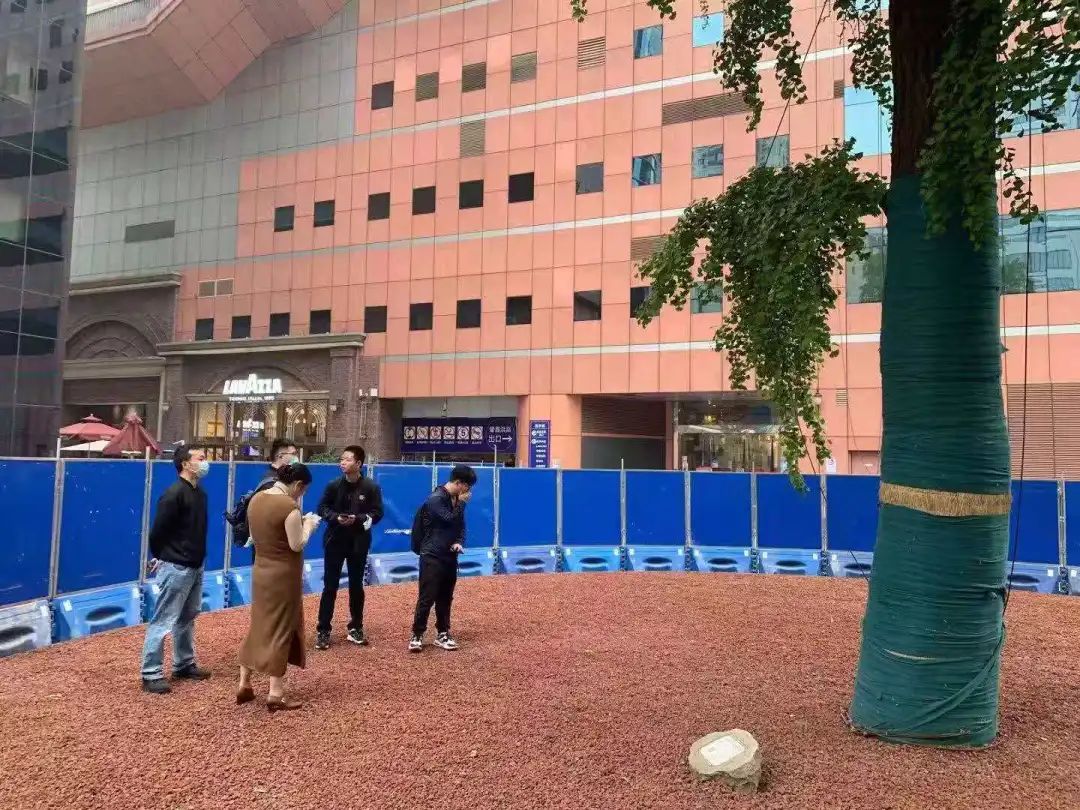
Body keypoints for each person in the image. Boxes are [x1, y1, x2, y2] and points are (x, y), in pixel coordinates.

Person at [237, 463, 322, 711]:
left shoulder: (256, 500)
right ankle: (276, 692)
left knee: (259, 625)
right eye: (303, 490)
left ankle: (244, 682)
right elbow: (296, 544)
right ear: (298, 485)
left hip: (260, 570)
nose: (302, 494)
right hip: (283, 576)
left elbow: (263, 534)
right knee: (281, 628)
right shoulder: (289, 507)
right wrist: (309, 526)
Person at [140, 445, 212, 694]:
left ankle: (184, 663)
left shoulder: (200, 494)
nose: (205, 462)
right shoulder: (173, 494)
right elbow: (158, 532)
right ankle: (151, 672)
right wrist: (164, 557)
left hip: (195, 564)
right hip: (177, 566)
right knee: (163, 620)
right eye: (200, 458)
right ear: (185, 463)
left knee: (187, 616)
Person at [314, 445, 384, 650]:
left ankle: (356, 628)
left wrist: (358, 519)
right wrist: (336, 518)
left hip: (358, 543)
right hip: (334, 541)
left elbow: (377, 513)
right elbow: (322, 508)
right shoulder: (333, 485)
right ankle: (323, 630)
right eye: (341, 459)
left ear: (359, 464)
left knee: (356, 586)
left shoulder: (371, 487)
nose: (342, 462)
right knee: (330, 586)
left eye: (347, 459)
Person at [409, 464, 477, 653]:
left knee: (446, 596)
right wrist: (462, 503)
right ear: (460, 483)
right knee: (427, 596)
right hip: (432, 554)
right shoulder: (436, 499)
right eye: (468, 486)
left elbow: (460, 525)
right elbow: (449, 519)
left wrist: (459, 541)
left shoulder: (455, 499)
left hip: (449, 554)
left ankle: (443, 633)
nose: (469, 491)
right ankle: (417, 634)